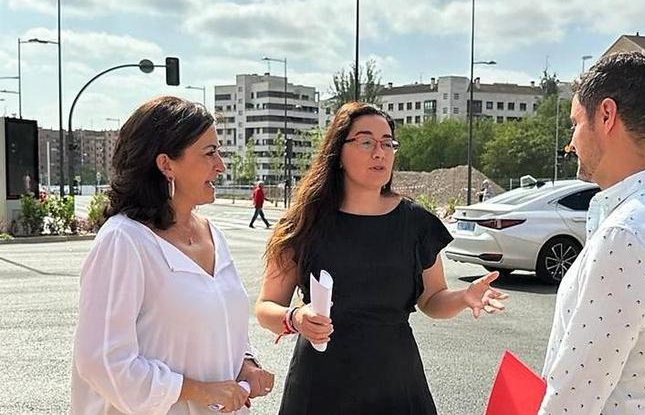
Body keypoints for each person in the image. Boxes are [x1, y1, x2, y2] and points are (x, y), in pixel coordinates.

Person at [254, 102, 507, 415]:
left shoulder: (416, 223)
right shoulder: (304, 223)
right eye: (366, 142)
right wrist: (295, 319)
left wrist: (464, 297)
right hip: (320, 385)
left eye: (388, 143)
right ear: (338, 153)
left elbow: (432, 299)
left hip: (396, 383)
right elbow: (265, 308)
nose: (380, 152)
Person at [71, 96, 274, 415]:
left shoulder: (214, 235)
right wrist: (196, 390)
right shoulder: (124, 241)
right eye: (210, 153)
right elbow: (102, 361)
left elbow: (221, 325)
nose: (220, 165)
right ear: (166, 164)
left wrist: (245, 364)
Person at [538, 52, 645, 415]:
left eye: (575, 123)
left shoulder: (626, 236)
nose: (572, 142)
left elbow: (572, 400)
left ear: (605, 115)